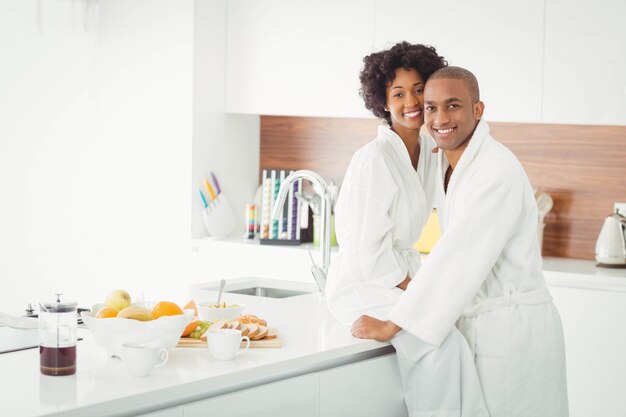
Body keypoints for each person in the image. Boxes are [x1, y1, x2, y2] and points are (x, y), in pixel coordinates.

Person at [352, 66, 569, 417]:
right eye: (432, 107)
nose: (440, 118)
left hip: (512, 330)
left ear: (477, 110)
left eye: (453, 106)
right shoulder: (449, 164)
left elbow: (458, 257)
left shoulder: (494, 170)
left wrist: (395, 323)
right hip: (483, 327)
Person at [326, 42, 488, 417]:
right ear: (382, 102)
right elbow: (367, 251)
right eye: (398, 93)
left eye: (419, 90)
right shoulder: (374, 159)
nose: (411, 101)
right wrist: (417, 291)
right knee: (440, 342)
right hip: (363, 282)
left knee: (456, 334)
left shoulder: (429, 149)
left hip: (399, 274)